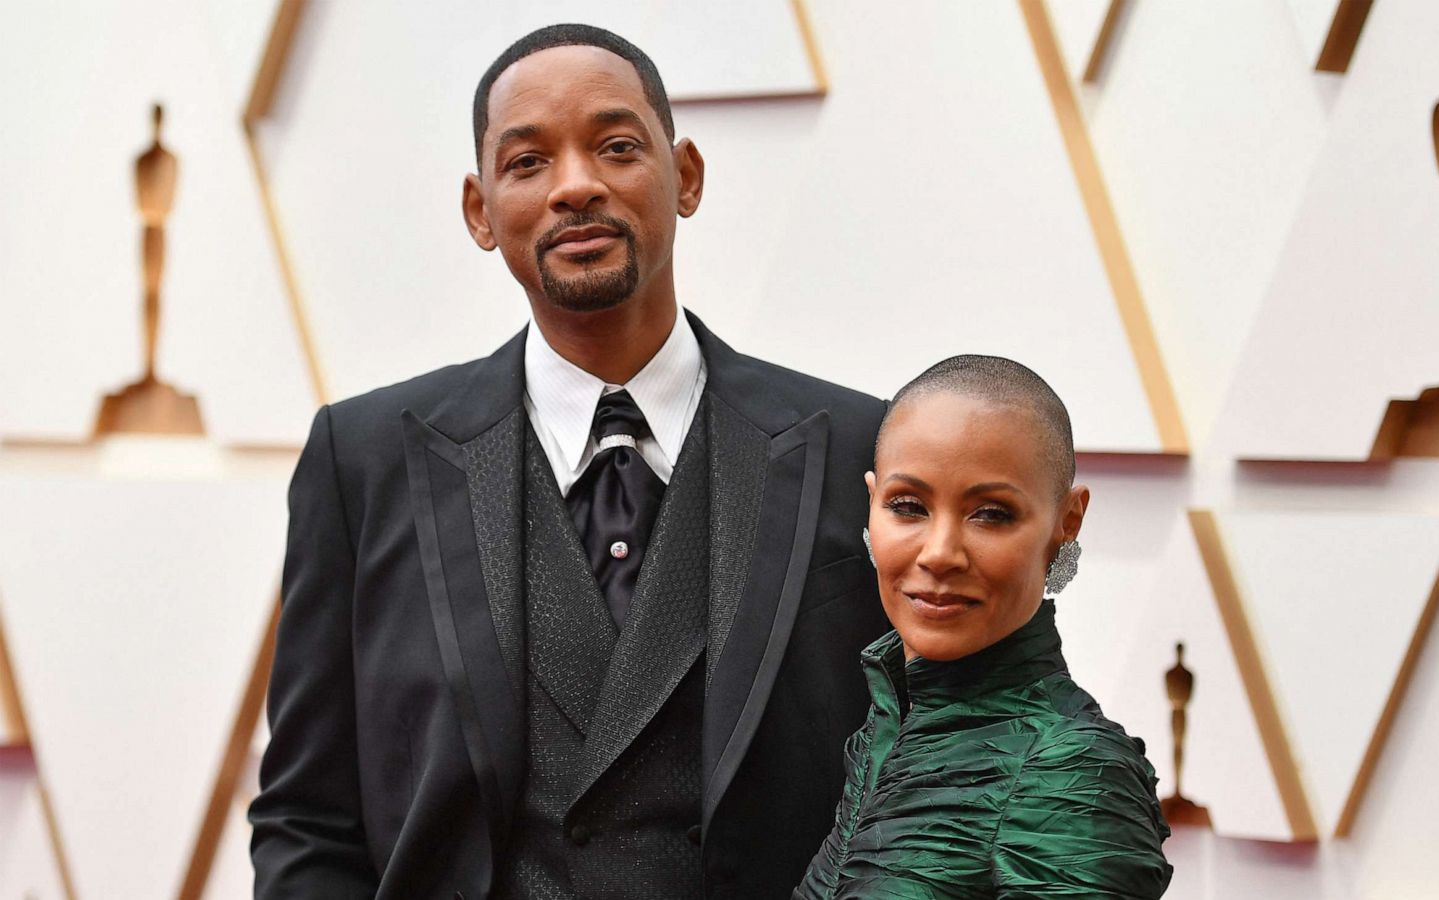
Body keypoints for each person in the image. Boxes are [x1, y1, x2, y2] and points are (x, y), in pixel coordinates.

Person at [248, 24, 887, 899]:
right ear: (479, 210)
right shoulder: (361, 463)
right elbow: (309, 818)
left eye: (617, 147)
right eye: (527, 163)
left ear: (686, 175)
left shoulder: (859, 449)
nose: (576, 187)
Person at [795, 356, 1172, 899]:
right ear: (872, 501)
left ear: (1067, 521)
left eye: (991, 514)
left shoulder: (1072, 771)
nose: (940, 553)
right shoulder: (879, 734)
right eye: (907, 506)